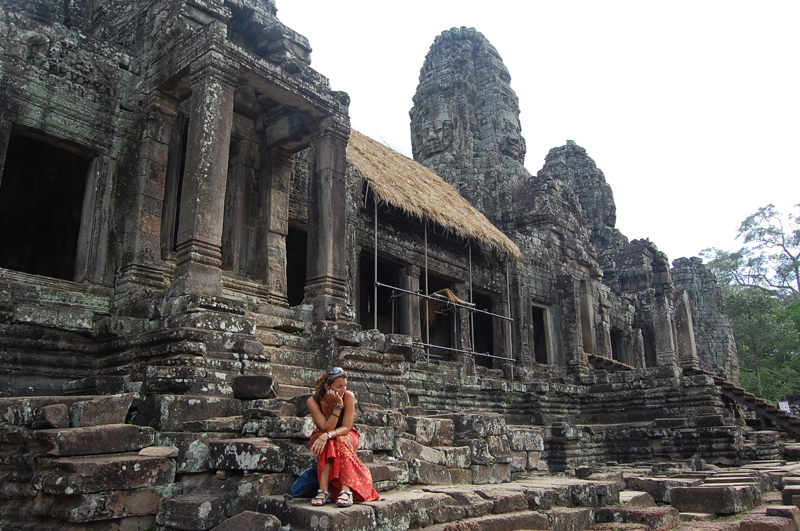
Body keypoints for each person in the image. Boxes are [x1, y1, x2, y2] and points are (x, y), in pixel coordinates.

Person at [306, 367, 379, 507]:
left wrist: (339, 405)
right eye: (339, 387)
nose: (343, 390)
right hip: (323, 432)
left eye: (345, 386)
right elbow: (325, 427)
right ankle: (323, 490)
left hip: (346, 434)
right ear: (327, 386)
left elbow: (346, 428)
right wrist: (337, 408)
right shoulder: (313, 401)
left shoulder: (349, 397)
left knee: (339, 441)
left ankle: (346, 490)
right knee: (325, 442)